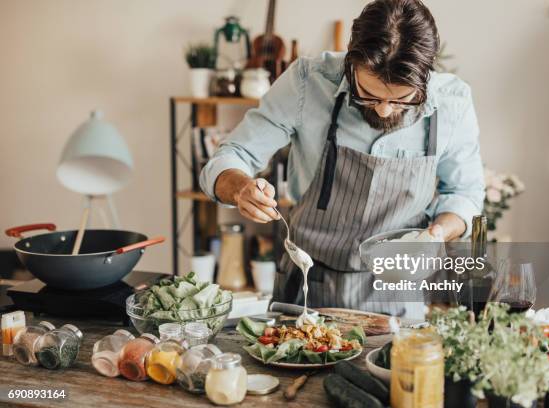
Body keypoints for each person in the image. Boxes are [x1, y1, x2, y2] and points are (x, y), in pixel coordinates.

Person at [201, 0, 485, 316]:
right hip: (309, 283)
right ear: (351, 62)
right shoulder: (308, 83)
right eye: (369, 94)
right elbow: (231, 155)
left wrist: (436, 235)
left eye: (402, 100)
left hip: (398, 291)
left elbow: (464, 194)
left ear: (426, 74)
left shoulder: (452, 105)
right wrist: (240, 187)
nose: (384, 110)